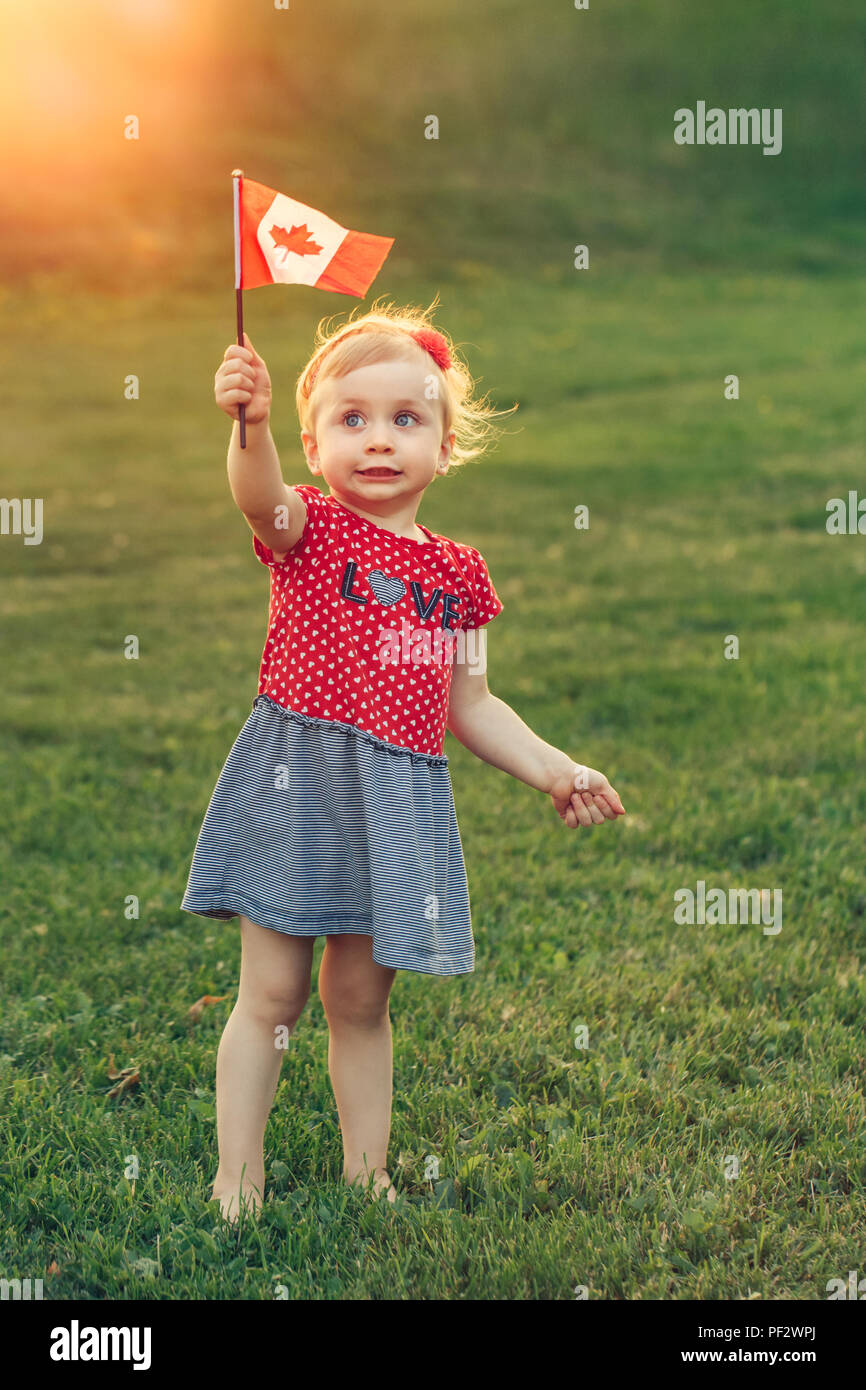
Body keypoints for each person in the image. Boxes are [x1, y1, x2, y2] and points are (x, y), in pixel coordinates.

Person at [180, 297, 626, 1223]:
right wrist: (249, 428)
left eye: (405, 419)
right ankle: (237, 1176)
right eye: (352, 420)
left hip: (397, 802)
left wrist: (555, 769)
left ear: (444, 448)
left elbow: (472, 703)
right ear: (313, 444)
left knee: (357, 999)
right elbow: (254, 495)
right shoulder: (307, 530)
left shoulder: (457, 574)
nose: (378, 441)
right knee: (272, 993)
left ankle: (367, 1170)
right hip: (297, 783)